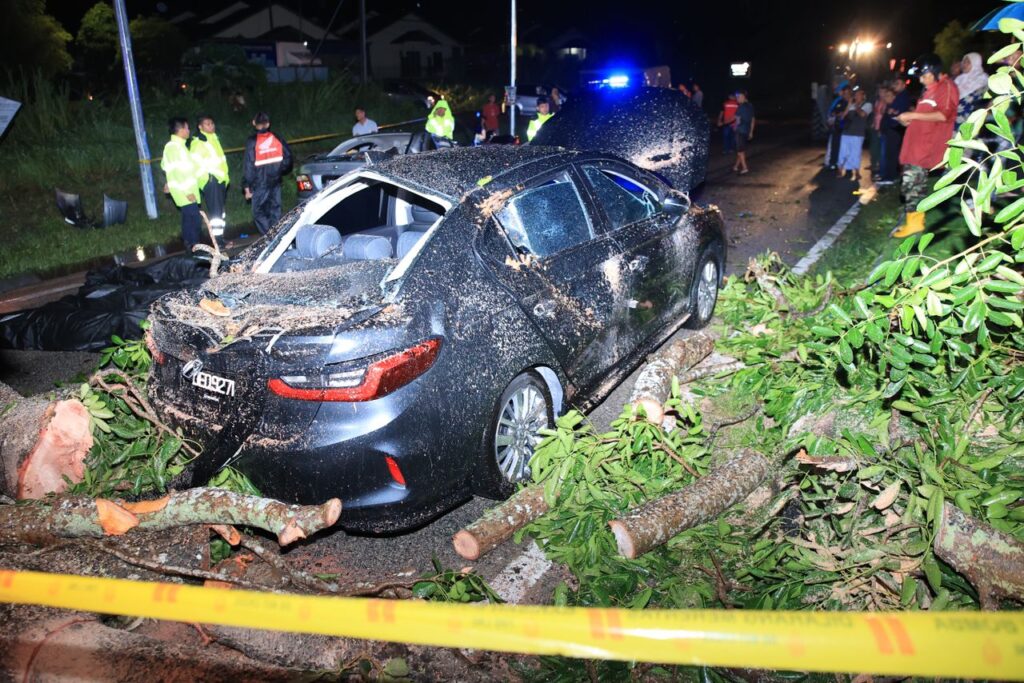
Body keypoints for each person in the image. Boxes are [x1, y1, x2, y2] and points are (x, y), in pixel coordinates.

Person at [892, 54, 958, 238]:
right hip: (915, 144)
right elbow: (926, 114)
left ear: (934, 71)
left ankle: (915, 224)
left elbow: (944, 115)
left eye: (924, 75)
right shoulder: (929, 89)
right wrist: (909, 119)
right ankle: (912, 219)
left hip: (926, 145)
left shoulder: (946, 87)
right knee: (909, 184)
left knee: (914, 184)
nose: (921, 80)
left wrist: (912, 116)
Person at [243, 111, 293, 235]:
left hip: (260, 183)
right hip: (275, 181)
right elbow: (288, 158)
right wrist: (279, 169)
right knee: (275, 210)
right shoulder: (277, 138)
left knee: (258, 211)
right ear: (268, 124)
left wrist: (247, 185)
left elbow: (248, 166)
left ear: (254, 123)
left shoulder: (252, 141)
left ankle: (269, 236)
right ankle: (276, 236)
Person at [160, 117, 202, 249]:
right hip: (185, 192)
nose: (189, 130)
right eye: (187, 128)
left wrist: (169, 182)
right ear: (181, 129)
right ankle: (194, 248)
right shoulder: (174, 147)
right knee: (194, 221)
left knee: (188, 219)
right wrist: (187, 192)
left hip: (185, 190)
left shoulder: (177, 146)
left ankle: (190, 248)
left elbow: (165, 166)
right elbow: (178, 172)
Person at [190, 114, 229, 237]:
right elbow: (196, 164)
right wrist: (207, 179)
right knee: (216, 214)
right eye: (207, 124)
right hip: (212, 181)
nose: (211, 126)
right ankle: (218, 242)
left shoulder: (214, 139)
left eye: (212, 123)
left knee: (220, 213)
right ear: (200, 127)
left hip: (220, 180)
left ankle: (221, 239)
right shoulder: (199, 142)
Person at [838, 88, 872, 181]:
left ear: (863, 96)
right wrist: (849, 105)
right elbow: (842, 117)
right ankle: (840, 170)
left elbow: (862, 114)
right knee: (843, 152)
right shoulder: (851, 105)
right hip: (846, 132)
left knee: (855, 153)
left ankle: (857, 172)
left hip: (858, 133)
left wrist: (856, 105)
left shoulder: (867, 105)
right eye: (855, 95)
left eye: (858, 95)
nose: (856, 96)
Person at [955, 52, 988, 125]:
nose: (964, 64)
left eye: (968, 62)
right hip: (954, 114)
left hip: (969, 116)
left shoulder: (982, 78)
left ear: (975, 63)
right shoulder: (960, 78)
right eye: (964, 61)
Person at [827, 85, 852, 169]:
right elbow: (833, 112)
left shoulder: (853, 102)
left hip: (850, 127)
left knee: (847, 147)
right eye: (844, 93)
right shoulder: (839, 101)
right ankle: (833, 163)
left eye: (848, 93)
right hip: (839, 125)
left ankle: (846, 166)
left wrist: (843, 114)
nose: (846, 95)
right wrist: (837, 114)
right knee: (835, 144)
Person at [733, 90, 755, 175]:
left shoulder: (740, 107)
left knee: (740, 151)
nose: (737, 99)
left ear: (744, 97)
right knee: (741, 149)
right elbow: (753, 119)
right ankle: (736, 166)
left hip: (740, 131)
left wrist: (724, 123)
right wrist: (751, 132)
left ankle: (745, 168)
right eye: (737, 97)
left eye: (739, 97)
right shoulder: (750, 106)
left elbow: (736, 120)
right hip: (746, 131)